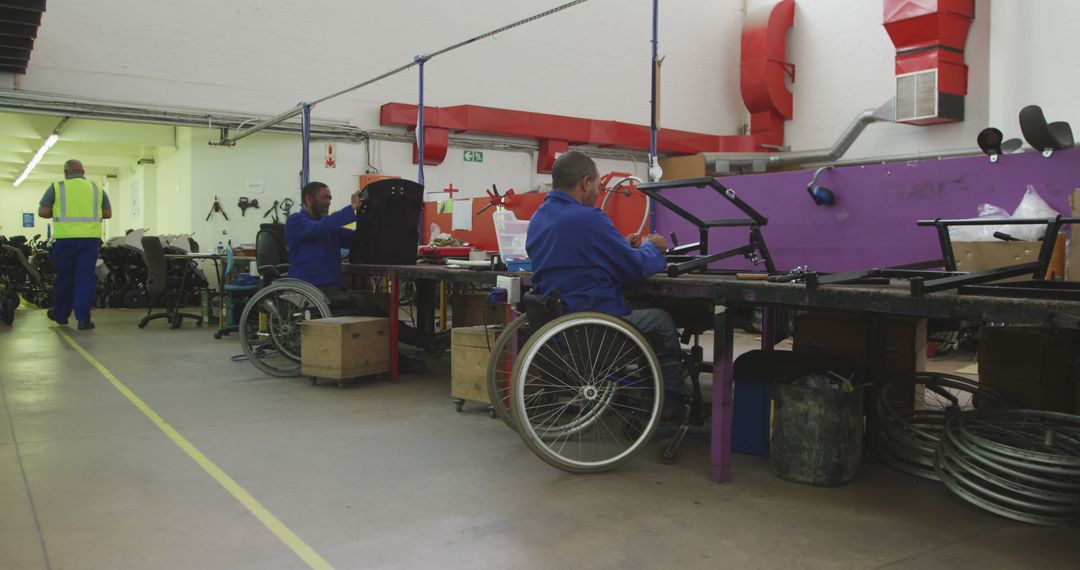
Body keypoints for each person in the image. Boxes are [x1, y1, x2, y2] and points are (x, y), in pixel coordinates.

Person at [525, 151, 687, 416]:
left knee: (637, 307)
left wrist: (622, 246)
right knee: (661, 321)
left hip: (561, 323)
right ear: (585, 182)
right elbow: (633, 269)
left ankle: (643, 396)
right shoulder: (589, 218)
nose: (599, 192)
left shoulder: (538, 219)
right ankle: (671, 403)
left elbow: (576, 258)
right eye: (598, 186)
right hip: (593, 324)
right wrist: (652, 248)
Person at [285, 181, 440, 354]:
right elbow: (320, 228)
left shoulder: (329, 228)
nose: (328, 201)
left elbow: (357, 237)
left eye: (330, 197)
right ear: (308, 199)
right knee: (365, 306)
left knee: (371, 307)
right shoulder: (296, 221)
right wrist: (351, 208)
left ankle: (421, 343)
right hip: (311, 288)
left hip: (329, 289)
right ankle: (422, 342)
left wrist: (379, 219)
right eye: (324, 197)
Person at [38, 159, 112, 330]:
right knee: (85, 278)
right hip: (89, 240)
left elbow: (42, 212)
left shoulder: (56, 188)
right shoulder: (97, 189)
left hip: (65, 241)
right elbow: (108, 214)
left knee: (64, 278)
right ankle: (83, 319)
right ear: (83, 172)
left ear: (65, 172)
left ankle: (61, 315)